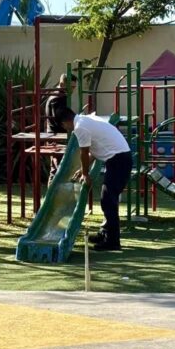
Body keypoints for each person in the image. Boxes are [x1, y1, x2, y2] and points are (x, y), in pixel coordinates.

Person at [57, 107, 131, 251]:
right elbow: (95, 151)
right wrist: (82, 170)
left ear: (64, 123)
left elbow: (84, 152)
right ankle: (105, 234)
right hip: (119, 157)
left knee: (108, 200)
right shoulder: (87, 119)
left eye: (64, 126)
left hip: (118, 160)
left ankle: (112, 241)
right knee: (107, 199)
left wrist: (85, 174)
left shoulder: (80, 127)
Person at [44, 73, 77, 184]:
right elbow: (63, 118)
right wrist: (77, 119)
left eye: (74, 87)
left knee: (56, 169)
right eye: (71, 87)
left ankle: (52, 194)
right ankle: (52, 194)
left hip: (55, 135)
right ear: (62, 84)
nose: (73, 90)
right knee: (58, 170)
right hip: (57, 137)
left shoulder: (57, 95)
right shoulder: (58, 98)